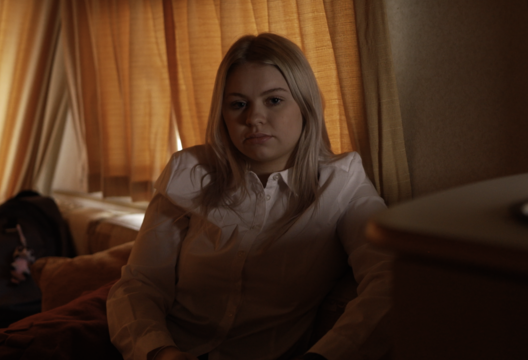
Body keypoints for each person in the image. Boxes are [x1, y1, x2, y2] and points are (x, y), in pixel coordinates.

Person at [107, 33, 392, 360]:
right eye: (238, 104)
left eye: (273, 100)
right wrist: (161, 353)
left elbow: (390, 279)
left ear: (305, 104)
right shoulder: (189, 172)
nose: (253, 118)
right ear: (223, 114)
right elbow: (141, 284)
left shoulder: (341, 183)